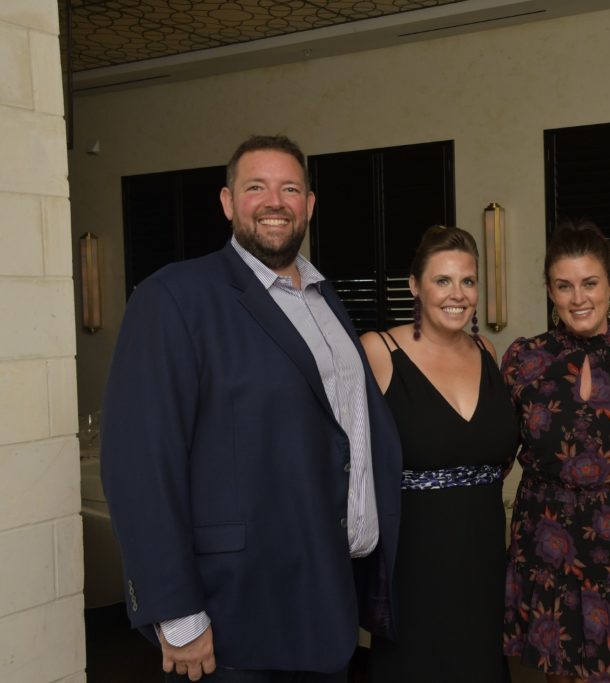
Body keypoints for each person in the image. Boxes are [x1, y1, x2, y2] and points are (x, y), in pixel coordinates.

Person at [100, 134, 402, 682]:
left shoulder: (326, 300)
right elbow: (140, 464)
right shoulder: (174, 298)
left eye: (290, 188)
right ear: (226, 201)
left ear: (309, 205)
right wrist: (177, 612)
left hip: (325, 604)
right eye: (255, 187)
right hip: (233, 615)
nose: (274, 202)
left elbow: (344, 434)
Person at [501, 220, 610, 683]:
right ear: (550, 291)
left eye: (590, 283)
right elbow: (496, 452)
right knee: (558, 673)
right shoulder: (524, 360)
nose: (578, 298)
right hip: (546, 536)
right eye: (564, 286)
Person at [360, 225, 518, 682]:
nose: (458, 294)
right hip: (414, 559)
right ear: (414, 285)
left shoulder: (488, 351)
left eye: (468, 281)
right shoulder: (378, 351)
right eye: (442, 280)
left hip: (484, 554)